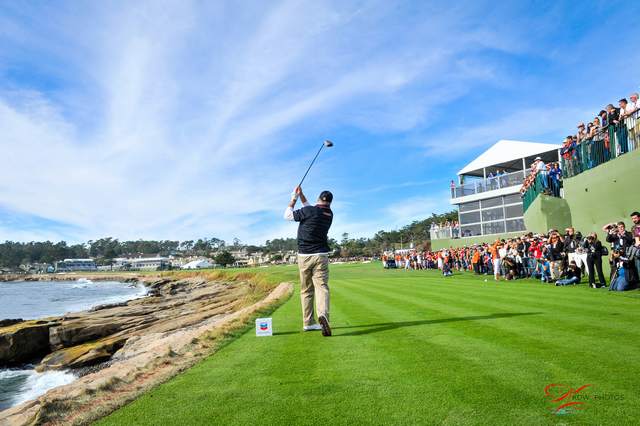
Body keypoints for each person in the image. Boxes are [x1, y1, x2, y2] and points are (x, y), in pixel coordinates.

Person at [284, 186, 333, 336]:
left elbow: (287, 216)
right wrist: (302, 196)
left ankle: (308, 323)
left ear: (318, 199)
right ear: (329, 203)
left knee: (306, 290)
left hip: (304, 256)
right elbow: (311, 209)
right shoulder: (329, 213)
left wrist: (294, 198)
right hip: (321, 255)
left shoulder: (310, 211)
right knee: (322, 287)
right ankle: (323, 315)